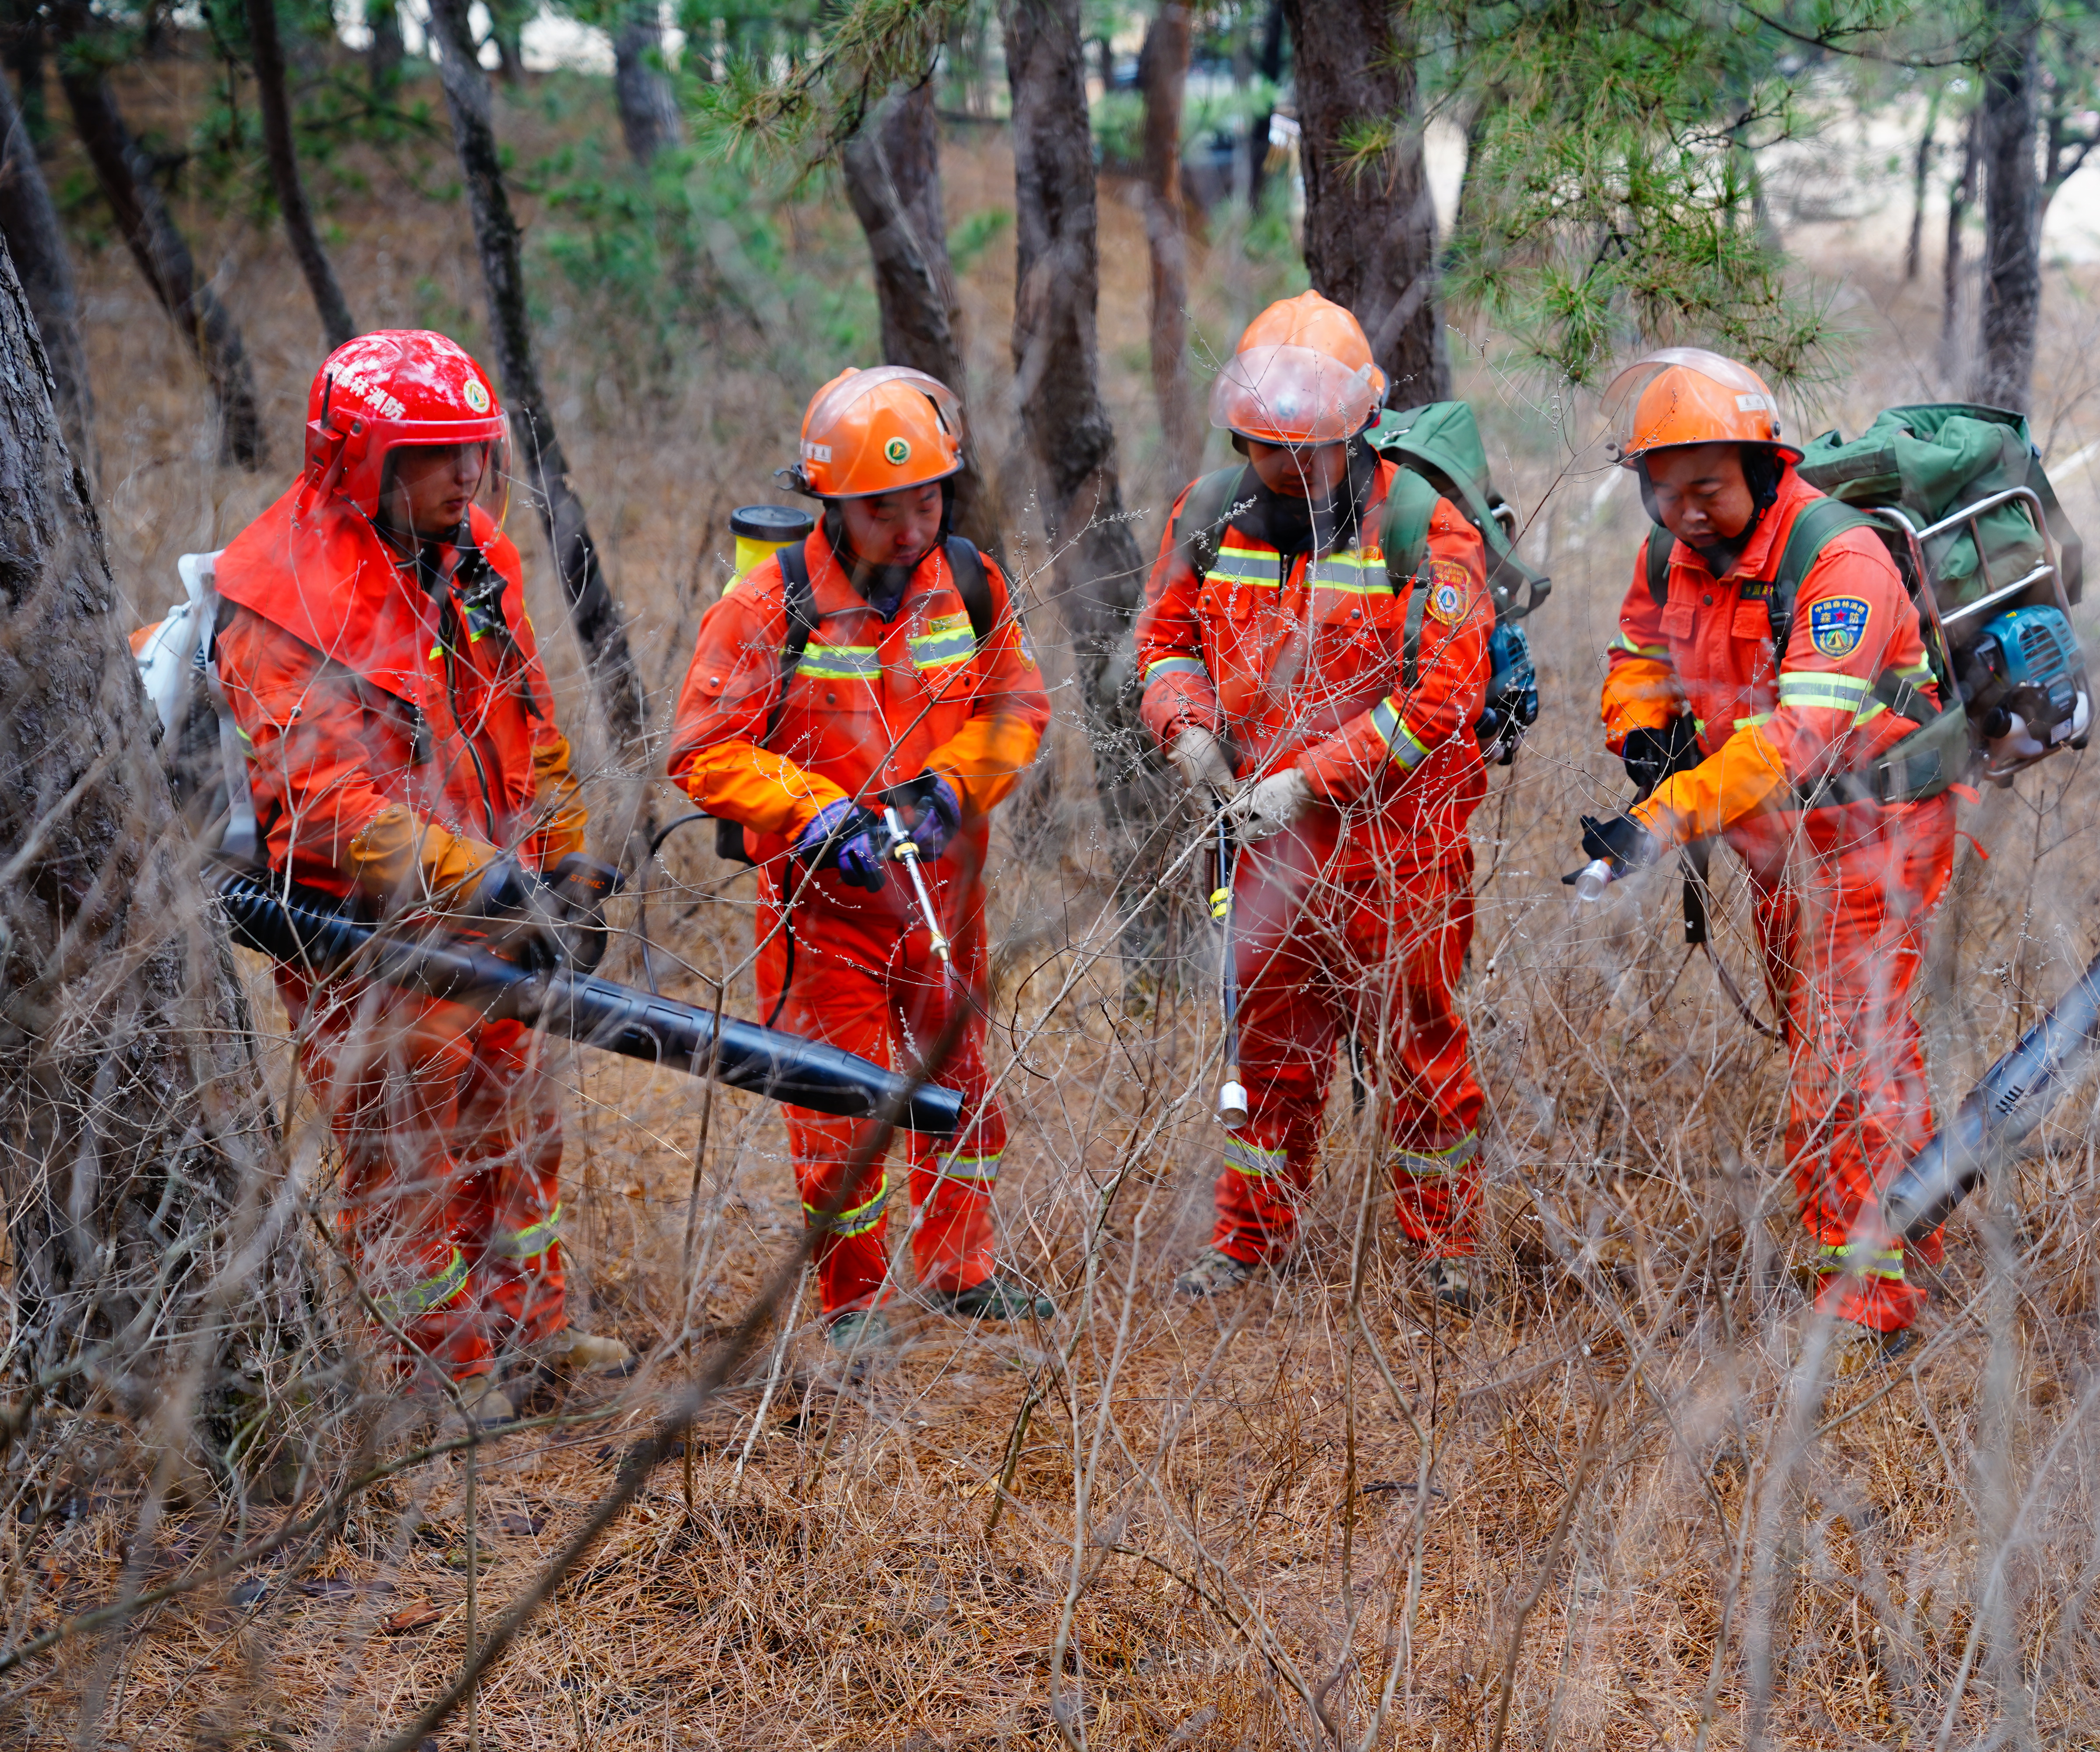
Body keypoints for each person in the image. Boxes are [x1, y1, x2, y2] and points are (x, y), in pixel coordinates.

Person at [211, 330, 630, 1421]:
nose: (464, 475)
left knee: (520, 1118)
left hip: (490, 911)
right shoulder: (283, 596)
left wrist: (565, 857)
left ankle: (532, 1330)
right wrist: (489, 880)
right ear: (358, 456)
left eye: (473, 450)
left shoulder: (473, 550)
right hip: (363, 935)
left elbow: (526, 718)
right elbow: (326, 810)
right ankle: (434, 1375)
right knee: (406, 1149)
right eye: (431, 454)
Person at [667, 367, 1052, 1349]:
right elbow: (701, 749)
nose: (911, 525)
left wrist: (952, 787)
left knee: (962, 1091)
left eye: (927, 498)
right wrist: (812, 813)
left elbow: (1019, 705)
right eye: (885, 507)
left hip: (945, 901)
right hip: (822, 915)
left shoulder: (969, 582)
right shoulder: (768, 602)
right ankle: (857, 1308)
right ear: (834, 504)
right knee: (839, 1117)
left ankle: (963, 1271)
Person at [1578, 348, 1957, 1341]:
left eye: (1706, 487)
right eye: (1664, 492)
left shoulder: (1841, 563)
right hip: (1771, 840)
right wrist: (1642, 730)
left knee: (1840, 1058)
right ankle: (1912, 1234)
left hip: (1876, 832)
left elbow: (1799, 736)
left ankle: (1871, 1295)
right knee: (1845, 1041)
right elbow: (1635, 653)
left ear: (1761, 463)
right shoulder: (1669, 556)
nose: (1685, 511)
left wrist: (1661, 820)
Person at [1136, 291, 1495, 1311]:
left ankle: (1443, 1258)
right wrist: (1189, 728)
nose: (1292, 473)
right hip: (1263, 846)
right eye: (1268, 452)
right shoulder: (1210, 516)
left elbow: (1441, 699)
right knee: (1269, 1049)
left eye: (1314, 454)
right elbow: (1164, 646)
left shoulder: (1423, 529)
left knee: (1417, 1046)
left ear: (1358, 432)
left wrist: (1311, 778)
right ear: (1241, 435)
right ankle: (1249, 1245)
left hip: (1400, 843)